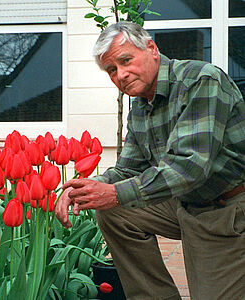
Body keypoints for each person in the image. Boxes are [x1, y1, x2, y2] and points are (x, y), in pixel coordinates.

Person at [55, 21, 245, 300]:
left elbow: (188, 167)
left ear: (152, 49)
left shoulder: (200, 81)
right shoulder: (141, 108)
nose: (121, 74)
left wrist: (114, 192)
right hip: (188, 204)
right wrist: (87, 187)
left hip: (228, 207)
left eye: (125, 60)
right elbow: (127, 169)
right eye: (112, 70)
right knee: (113, 210)